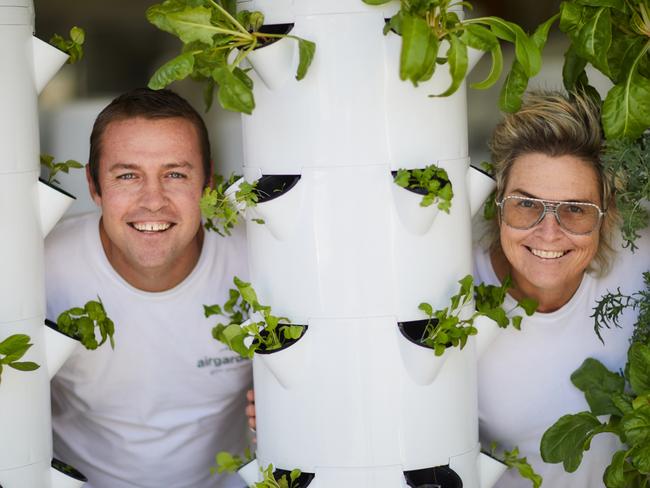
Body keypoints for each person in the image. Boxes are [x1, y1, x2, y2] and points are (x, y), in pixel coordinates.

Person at [45, 88, 251, 488]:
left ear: (207, 183)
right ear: (94, 186)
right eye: (127, 176)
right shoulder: (42, 266)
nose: (153, 201)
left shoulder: (258, 260)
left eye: (175, 174)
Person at [475, 91, 650, 487]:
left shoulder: (641, 264)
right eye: (526, 204)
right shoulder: (455, 301)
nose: (549, 233)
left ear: (607, 216)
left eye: (575, 209)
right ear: (498, 203)